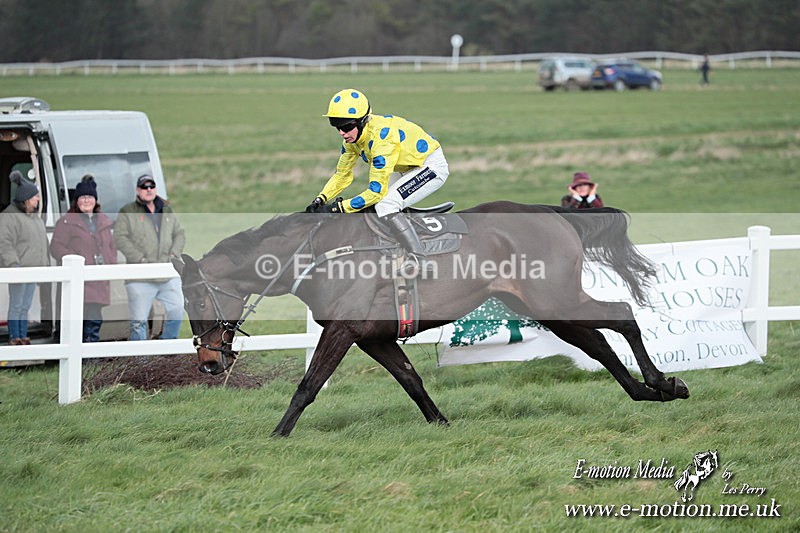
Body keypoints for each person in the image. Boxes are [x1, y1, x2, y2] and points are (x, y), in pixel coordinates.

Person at [306, 88, 449, 274]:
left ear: (362, 121)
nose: (342, 133)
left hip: (429, 166)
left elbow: (375, 192)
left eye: (346, 127)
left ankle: (420, 260)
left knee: (385, 204)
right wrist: (321, 199)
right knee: (378, 207)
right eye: (336, 126)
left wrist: (339, 208)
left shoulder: (382, 141)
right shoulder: (352, 140)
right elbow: (342, 175)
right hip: (404, 167)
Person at [114, 174, 185, 340]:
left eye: (151, 186)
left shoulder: (166, 210)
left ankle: (167, 346)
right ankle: (140, 355)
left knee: (177, 309)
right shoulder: (127, 211)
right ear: (137, 190)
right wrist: (140, 259)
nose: (148, 190)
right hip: (140, 276)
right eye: (144, 187)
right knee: (138, 321)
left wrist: (174, 254)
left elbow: (179, 233)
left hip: (166, 273)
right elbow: (120, 238)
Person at [50, 174, 117, 343]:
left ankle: (90, 355)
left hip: (98, 282)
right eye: (82, 197)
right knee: (75, 324)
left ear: (95, 200)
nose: (86, 201)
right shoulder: (66, 222)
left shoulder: (104, 222)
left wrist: (109, 262)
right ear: (76, 200)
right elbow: (56, 247)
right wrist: (73, 261)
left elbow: (111, 247)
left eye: (90, 197)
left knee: (94, 322)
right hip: (76, 283)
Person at [0, 171, 49, 345]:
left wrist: (44, 266)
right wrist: (14, 264)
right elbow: (5, 242)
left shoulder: (35, 218)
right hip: (19, 269)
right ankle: (15, 337)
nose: (38, 200)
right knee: (17, 304)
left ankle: (23, 336)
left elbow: (42, 244)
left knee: (25, 305)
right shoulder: (10, 217)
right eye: (35, 197)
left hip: (33, 270)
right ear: (26, 199)